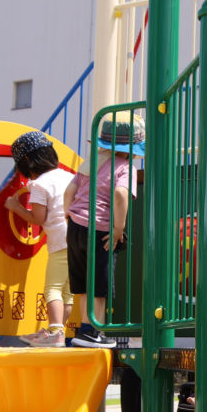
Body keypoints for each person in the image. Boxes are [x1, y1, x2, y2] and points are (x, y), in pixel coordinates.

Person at [64, 111, 143, 348]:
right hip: (101, 230)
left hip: (75, 227)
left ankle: (85, 329)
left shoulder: (89, 163)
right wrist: (119, 228)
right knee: (99, 284)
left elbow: (69, 191)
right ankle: (94, 331)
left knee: (83, 283)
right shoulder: (125, 167)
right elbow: (120, 194)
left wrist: (69, 215)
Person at [5, 131, 74, 347]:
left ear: (27, 161)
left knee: (52, 289)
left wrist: (16, 208)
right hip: (80, 240)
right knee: (68, 293)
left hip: (60, 243)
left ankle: (55, 332)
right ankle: (58, 331)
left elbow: (38, 218)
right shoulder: (69, 177)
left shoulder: (39, 184)